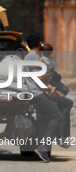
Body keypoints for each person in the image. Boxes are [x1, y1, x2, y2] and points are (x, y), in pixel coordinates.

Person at [24, 34, 73, 162]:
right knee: (57, 116)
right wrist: (51, 72)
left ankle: (60, 134)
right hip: (37, 94)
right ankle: (44, 146)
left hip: (42, 91)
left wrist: (52, 88)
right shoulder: (33, 57)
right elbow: (40, 78)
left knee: (67, 103)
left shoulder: (35, 56)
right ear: (39, 43)